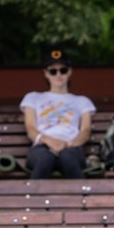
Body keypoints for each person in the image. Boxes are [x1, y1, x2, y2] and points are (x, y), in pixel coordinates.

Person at [20, 48, 95, 180]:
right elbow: (31, 128)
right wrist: (50, 142)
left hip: (72, 147)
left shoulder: (82, 101)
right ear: (46, 73)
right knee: (44, 159)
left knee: (68, 158)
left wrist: (68, 144)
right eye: (53, 71)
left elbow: (86, 130)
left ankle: (81, 199)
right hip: (42, 147)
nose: (58, 75)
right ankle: (32, 199)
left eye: (63, 70)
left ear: (70, 72)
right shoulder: (33, 97)